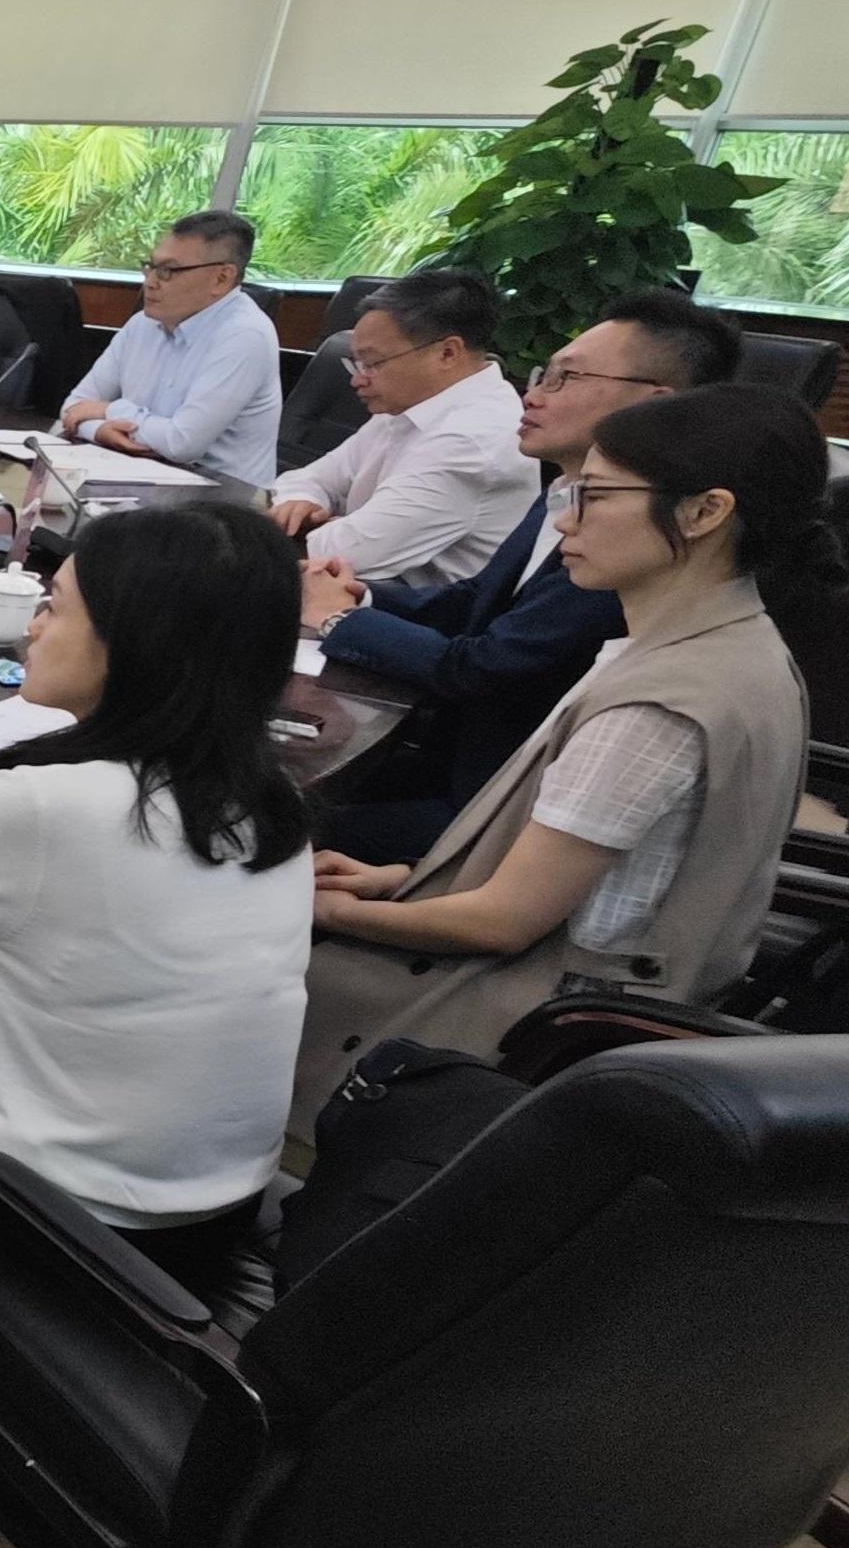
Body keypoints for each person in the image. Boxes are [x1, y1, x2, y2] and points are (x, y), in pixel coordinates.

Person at [0, 500, 317, 1353]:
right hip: (213, 1204)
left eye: (57, 607)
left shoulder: (46, 805)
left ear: (131, 643)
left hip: (53, 1209)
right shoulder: (270, 799)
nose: (32, 629)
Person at [296, 384, 838, 1125]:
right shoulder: (738, 645)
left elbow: (501, 924)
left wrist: (320, 907)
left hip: (518, 1028)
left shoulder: (659, 705)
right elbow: (599, 883)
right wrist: (400, 878)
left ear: (704, 512)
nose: (565, 521)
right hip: (590, 987)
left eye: (595, 495)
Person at [302, 290, 738, 863]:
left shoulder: (639, 539)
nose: (531, 396)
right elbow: (477, 601)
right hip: (447, 760)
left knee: (257, 826)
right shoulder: (565, 488)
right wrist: (362, 595)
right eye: (541, 375)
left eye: (564, 379)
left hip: (501, 811)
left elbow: (485, 667)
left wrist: (338, 618)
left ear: (653, 404)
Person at [265, 268, 532, 590]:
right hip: (365, 592)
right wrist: (301, 503)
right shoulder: (412, 405)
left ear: (447, 353)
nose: (357, 379)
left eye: (373, 364)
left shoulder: (472, 440)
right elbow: (308, 478)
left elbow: (351, 553)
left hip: (423, 621)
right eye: (356, 363)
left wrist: (318, 525)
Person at [58, 210, 283, 486]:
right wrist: (100, 430)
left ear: (221, 279)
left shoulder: (245, 336)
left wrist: (108, 411)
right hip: (138, 477)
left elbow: (181, 443)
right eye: (150, 267)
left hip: (219, 501)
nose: (150, 282)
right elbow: (74, 406)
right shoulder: (142, 325)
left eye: (167, 271)